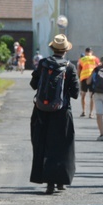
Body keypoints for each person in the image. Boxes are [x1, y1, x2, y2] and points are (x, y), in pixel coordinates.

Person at [29, 34, 80, 195]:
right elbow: (75, 93)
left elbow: (33, 84)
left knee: (42, 144)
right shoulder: (70, 67)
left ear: (53, 48)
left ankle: (47, 182)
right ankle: (60, 181)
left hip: (41, 111)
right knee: (62, 146)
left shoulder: (43, 63)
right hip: (62, 112)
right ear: (65, 50)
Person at [78, 47, 100, 118]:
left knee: (83, 95)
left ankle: (83, 111)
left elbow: (79, 69)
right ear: (91, 52)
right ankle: (91, 113)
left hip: (84, 78)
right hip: (92, 78)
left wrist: (79, 77)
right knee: (92, 96)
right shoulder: (95, 58)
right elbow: (99, 67)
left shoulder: (81, 59)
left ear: (85, 52)